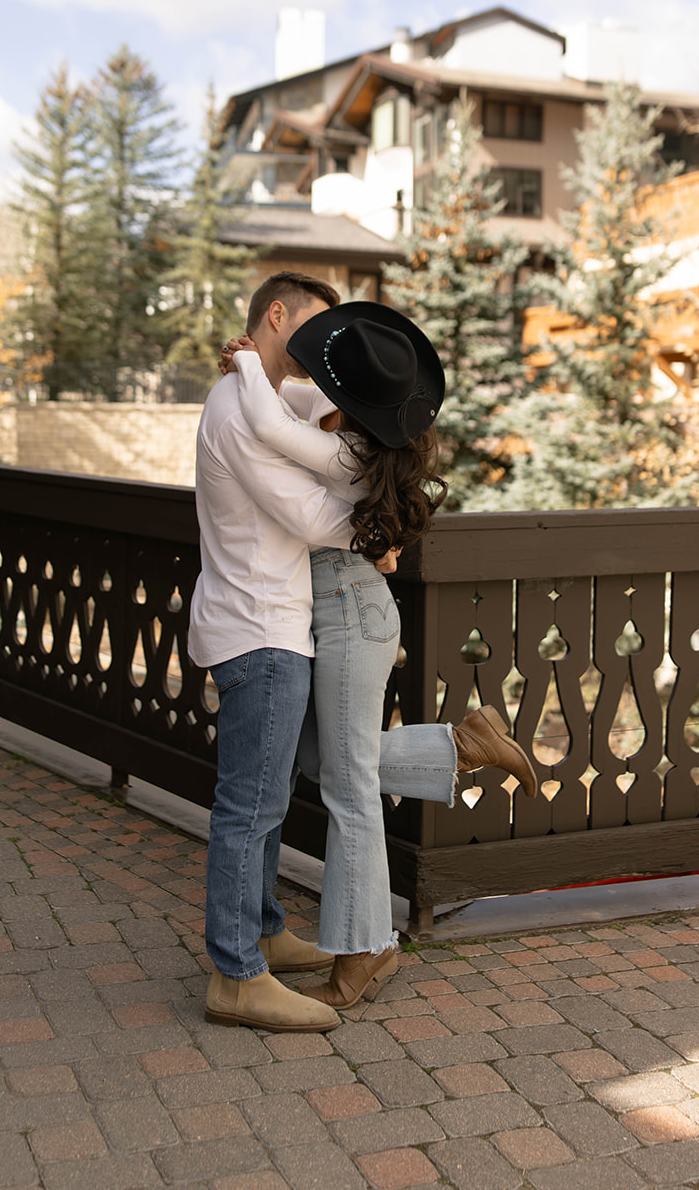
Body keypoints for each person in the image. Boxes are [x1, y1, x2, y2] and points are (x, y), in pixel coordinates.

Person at [226, 301, 539, 1009]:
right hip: (334, 610)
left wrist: (248, 360)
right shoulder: (357, 430)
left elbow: (270, 421)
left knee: (347, 786)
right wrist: (262, 367)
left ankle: (366, 947)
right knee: (315, 761)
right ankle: (460, 746)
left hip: (348, 614)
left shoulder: (346, 447)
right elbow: (298, 402)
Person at [189, 270, 357, 1034]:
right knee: (248, 811)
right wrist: (377, 512)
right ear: (276, 315)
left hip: (270, 625)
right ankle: (235, 974)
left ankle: (259, 928)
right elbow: (318, 520)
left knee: (265, 801)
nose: (320, 349)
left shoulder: (261, 392)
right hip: (259, 631)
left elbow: (311, 405)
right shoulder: (235, 413)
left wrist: (260, 363)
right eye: (312, 331)